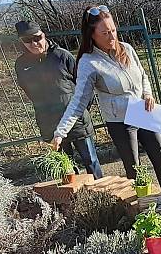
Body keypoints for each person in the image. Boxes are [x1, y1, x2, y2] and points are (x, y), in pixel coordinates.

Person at [52, 6, 161, 202]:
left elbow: (142, 75)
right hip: (120, 121)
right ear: (92, 35)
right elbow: (78, 101)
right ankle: (143, 204)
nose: (111, 37)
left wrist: (148, 93)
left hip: (143, 110)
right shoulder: (88, 62)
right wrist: (61, 132)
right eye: (105, 33)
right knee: (134, 167)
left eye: (113, 31)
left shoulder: (127, 48)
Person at [13, 20, 103, 178]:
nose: (34, 43)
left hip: (76, 121)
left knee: (91, 162)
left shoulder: (62, 56)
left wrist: (81, 110)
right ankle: (78, 199)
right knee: (66, 168)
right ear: (22, 42)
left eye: (37, 38)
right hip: (50, 124)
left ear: (43, 35)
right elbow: (28, 91)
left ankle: (103, 193)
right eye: (27, 41)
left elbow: (84, 85)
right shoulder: (21, 65)